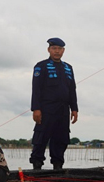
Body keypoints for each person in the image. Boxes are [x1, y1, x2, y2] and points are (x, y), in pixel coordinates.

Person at [29, 37, 78, 170]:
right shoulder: (41, 66)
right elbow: (36, 89)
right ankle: (37, 165)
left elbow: (72, 90)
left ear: (63, 51)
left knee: (61, 138)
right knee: (41, 138)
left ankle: (58, 166)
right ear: (49, 50)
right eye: (54, 48)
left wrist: (74, 109)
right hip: (46, 109)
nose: (57, 51)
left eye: (59, 49)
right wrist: (36, 109)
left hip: (63, 110)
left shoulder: (68, 68)